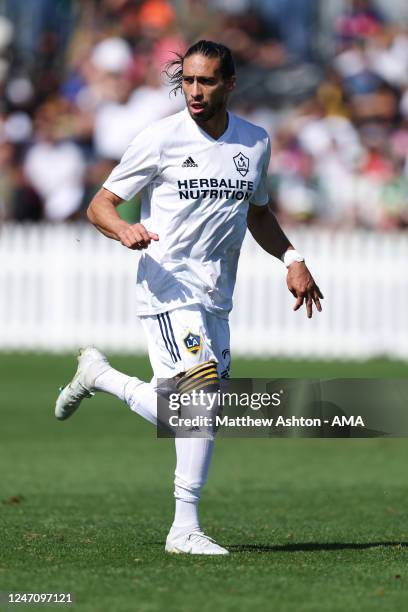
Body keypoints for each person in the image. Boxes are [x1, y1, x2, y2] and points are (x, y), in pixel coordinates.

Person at [55, 40, 323, 555]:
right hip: (167, 285)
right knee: (198, 406)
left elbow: (258, 212)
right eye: (188, 82)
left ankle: (100, 376)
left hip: (216, 293)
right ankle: (184, 529)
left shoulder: (254, 142)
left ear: (230, 84)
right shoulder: (160, 139)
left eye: (206, 82)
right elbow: (100, 206)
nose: (194, 92)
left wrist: (292, 259)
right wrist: (125, 230)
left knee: (195, 411)